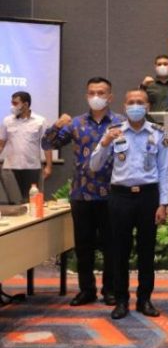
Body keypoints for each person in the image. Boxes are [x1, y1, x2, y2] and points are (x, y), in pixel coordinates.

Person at [41, 77, 124, 307]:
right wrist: (57, 125)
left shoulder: (120, 122)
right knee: (83, 246)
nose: (96, 96)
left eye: (101, 92)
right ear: (86, 95)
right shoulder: (76, 123)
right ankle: (86, 290)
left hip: (112, 194)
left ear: (110, 96)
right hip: (82, 194)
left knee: (112, 245)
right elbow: (48, 144)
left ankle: (110, 290)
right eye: (92, 92)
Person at [90, 89, 168, 320]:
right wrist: (104, 143)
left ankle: (145, 299)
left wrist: (163, 203)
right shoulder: (113, 133)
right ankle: (121, 300)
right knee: (119, 251)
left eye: (140, 102)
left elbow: (164, 171)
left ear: (147, 107)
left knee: (146, 252)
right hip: (120, 197)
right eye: (131, 102)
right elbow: (95, 166)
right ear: (124, 107)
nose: (136, 106)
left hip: (148, 197)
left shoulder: (158, 133)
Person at [0, 91, 52, 200]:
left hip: (32, 167)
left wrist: (49, 166)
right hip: (10, 168)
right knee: (13, 201)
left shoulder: (40, 121)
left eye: (15, 103)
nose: (12, 106)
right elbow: (1, 144)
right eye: (12, 103)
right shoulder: (7, 121)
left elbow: (46, 144)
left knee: (32, 200)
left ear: (26, 104)